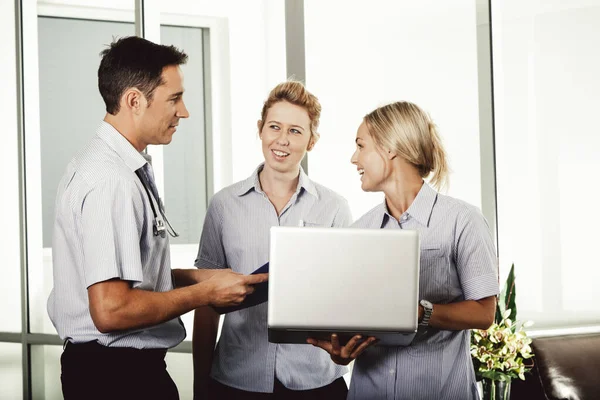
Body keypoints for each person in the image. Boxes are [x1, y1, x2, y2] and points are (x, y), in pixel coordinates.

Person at [47, 36, 267, 400]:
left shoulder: (111, 167)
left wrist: (201, 277)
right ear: (134, 100)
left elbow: (130, 283)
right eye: (175, 99)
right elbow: (112, 310)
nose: (184, 112)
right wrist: (205, 292)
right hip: (117, 379)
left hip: (115, 372)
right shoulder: (111, 180)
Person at [308, 101, 499, 400]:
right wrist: (342, 353)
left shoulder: (462, 220)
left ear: (389, 148)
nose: (353, 158)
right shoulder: (359, 232)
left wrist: (421, 313)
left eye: (360, 146)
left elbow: (484, 313)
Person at [193, 81, 352, 399]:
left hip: (315, 380)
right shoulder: (224, 204)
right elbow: (206, 300)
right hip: (237, 377)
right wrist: (201, 385)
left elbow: (344, 297)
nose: (282, 140)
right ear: (260, 129)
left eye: (295, 131)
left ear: (312, 140)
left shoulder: (334, 207)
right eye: (274, 127)